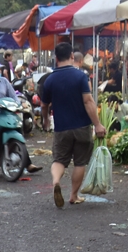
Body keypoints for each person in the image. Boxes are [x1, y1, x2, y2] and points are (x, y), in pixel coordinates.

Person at [40, 42, 107, 208]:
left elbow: (43, 105)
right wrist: (97, 125)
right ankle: (73, 196)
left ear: (56, 58)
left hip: (62, 127)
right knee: (79, 162)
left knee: (59, 160)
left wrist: (46, 119)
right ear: (72, 56)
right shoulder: (80, 76)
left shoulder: (49, 80)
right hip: (82, 126)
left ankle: (56, 182)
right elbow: (88, 101)